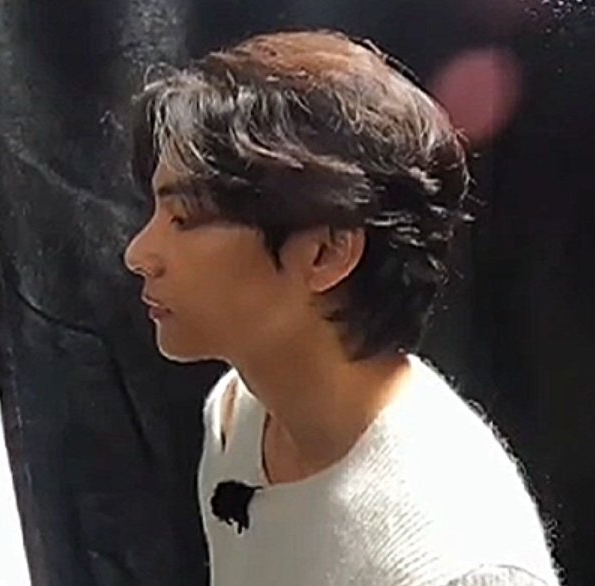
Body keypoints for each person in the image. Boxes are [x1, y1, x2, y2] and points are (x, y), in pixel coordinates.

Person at [123, 29, 560, 586]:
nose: (138, 254)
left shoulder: (457, 558)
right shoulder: (239, 415)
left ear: (327, 253)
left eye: (183, 218)